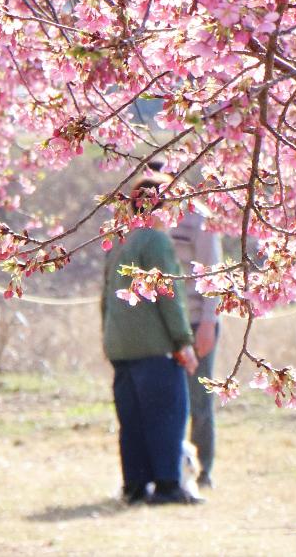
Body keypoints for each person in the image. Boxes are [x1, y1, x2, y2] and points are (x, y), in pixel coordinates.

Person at [100, 170, 202, 506]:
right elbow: (169, 293)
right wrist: (182, 340)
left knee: (132, 422)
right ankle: (167, 484)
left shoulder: (119, 242)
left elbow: (104, 298)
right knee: (166, 416)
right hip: (154, 346)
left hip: (121, 345)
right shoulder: (156, 242)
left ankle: (134, 485)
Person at [153, 158, 223, 487]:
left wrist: (209, 323)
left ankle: (203, 470)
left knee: (199, 400)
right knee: (167, 399)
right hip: (163, 323)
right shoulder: (151, 222)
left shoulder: (199, 219)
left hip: (196, 322)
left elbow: (213, 274)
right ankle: (171, 468)